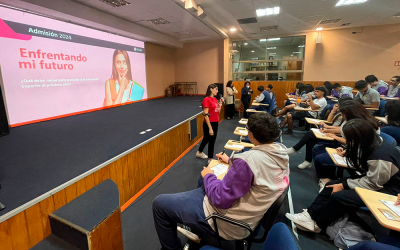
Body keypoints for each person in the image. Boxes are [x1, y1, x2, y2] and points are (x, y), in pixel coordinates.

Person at [153, 113, 289, 250]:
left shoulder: (247, 161)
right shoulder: (280, 153)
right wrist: (231, 162)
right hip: (251, 216)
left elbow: (220, 199)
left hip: (229, 222)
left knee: (160, 204)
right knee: (203, 181)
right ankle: (196, 226)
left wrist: (209, 176)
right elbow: (260, 172)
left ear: (251, 134)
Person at [285, 119, 400, 233]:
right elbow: (366, 160)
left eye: (350, 140)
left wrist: (343, 185)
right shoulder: (373, 141)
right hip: (375, 179)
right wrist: (348, 151)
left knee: (339, 196)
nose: (347, 142)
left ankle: (318, 224)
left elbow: (373, 184)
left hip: (388, 190)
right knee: (331, 185)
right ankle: (310, 215)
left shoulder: (381, 157)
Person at [286, 97, 354, 169]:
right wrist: (333, 111)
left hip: (340, 139)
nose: (338, 106)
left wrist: (329, 130)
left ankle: (295, 149)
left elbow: (342, 130)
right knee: (310, 139)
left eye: (339, 105)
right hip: (335, 134)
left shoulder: (349, 117)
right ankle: (307, 160)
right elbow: (330, 121)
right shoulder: (341, 113)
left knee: (310, 134)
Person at [196, 84, 221, 163]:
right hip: (209, 123)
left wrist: (220, 104)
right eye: (216, 89)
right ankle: (210, 159)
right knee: (211, 140)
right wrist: (210, 128)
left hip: (215, 122)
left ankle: (199, 152)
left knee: (206, 139)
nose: (217, 91)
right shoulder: (206, 99)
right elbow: (206, 115)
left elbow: (217, 111)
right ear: (211, 89)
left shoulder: (215, 99)